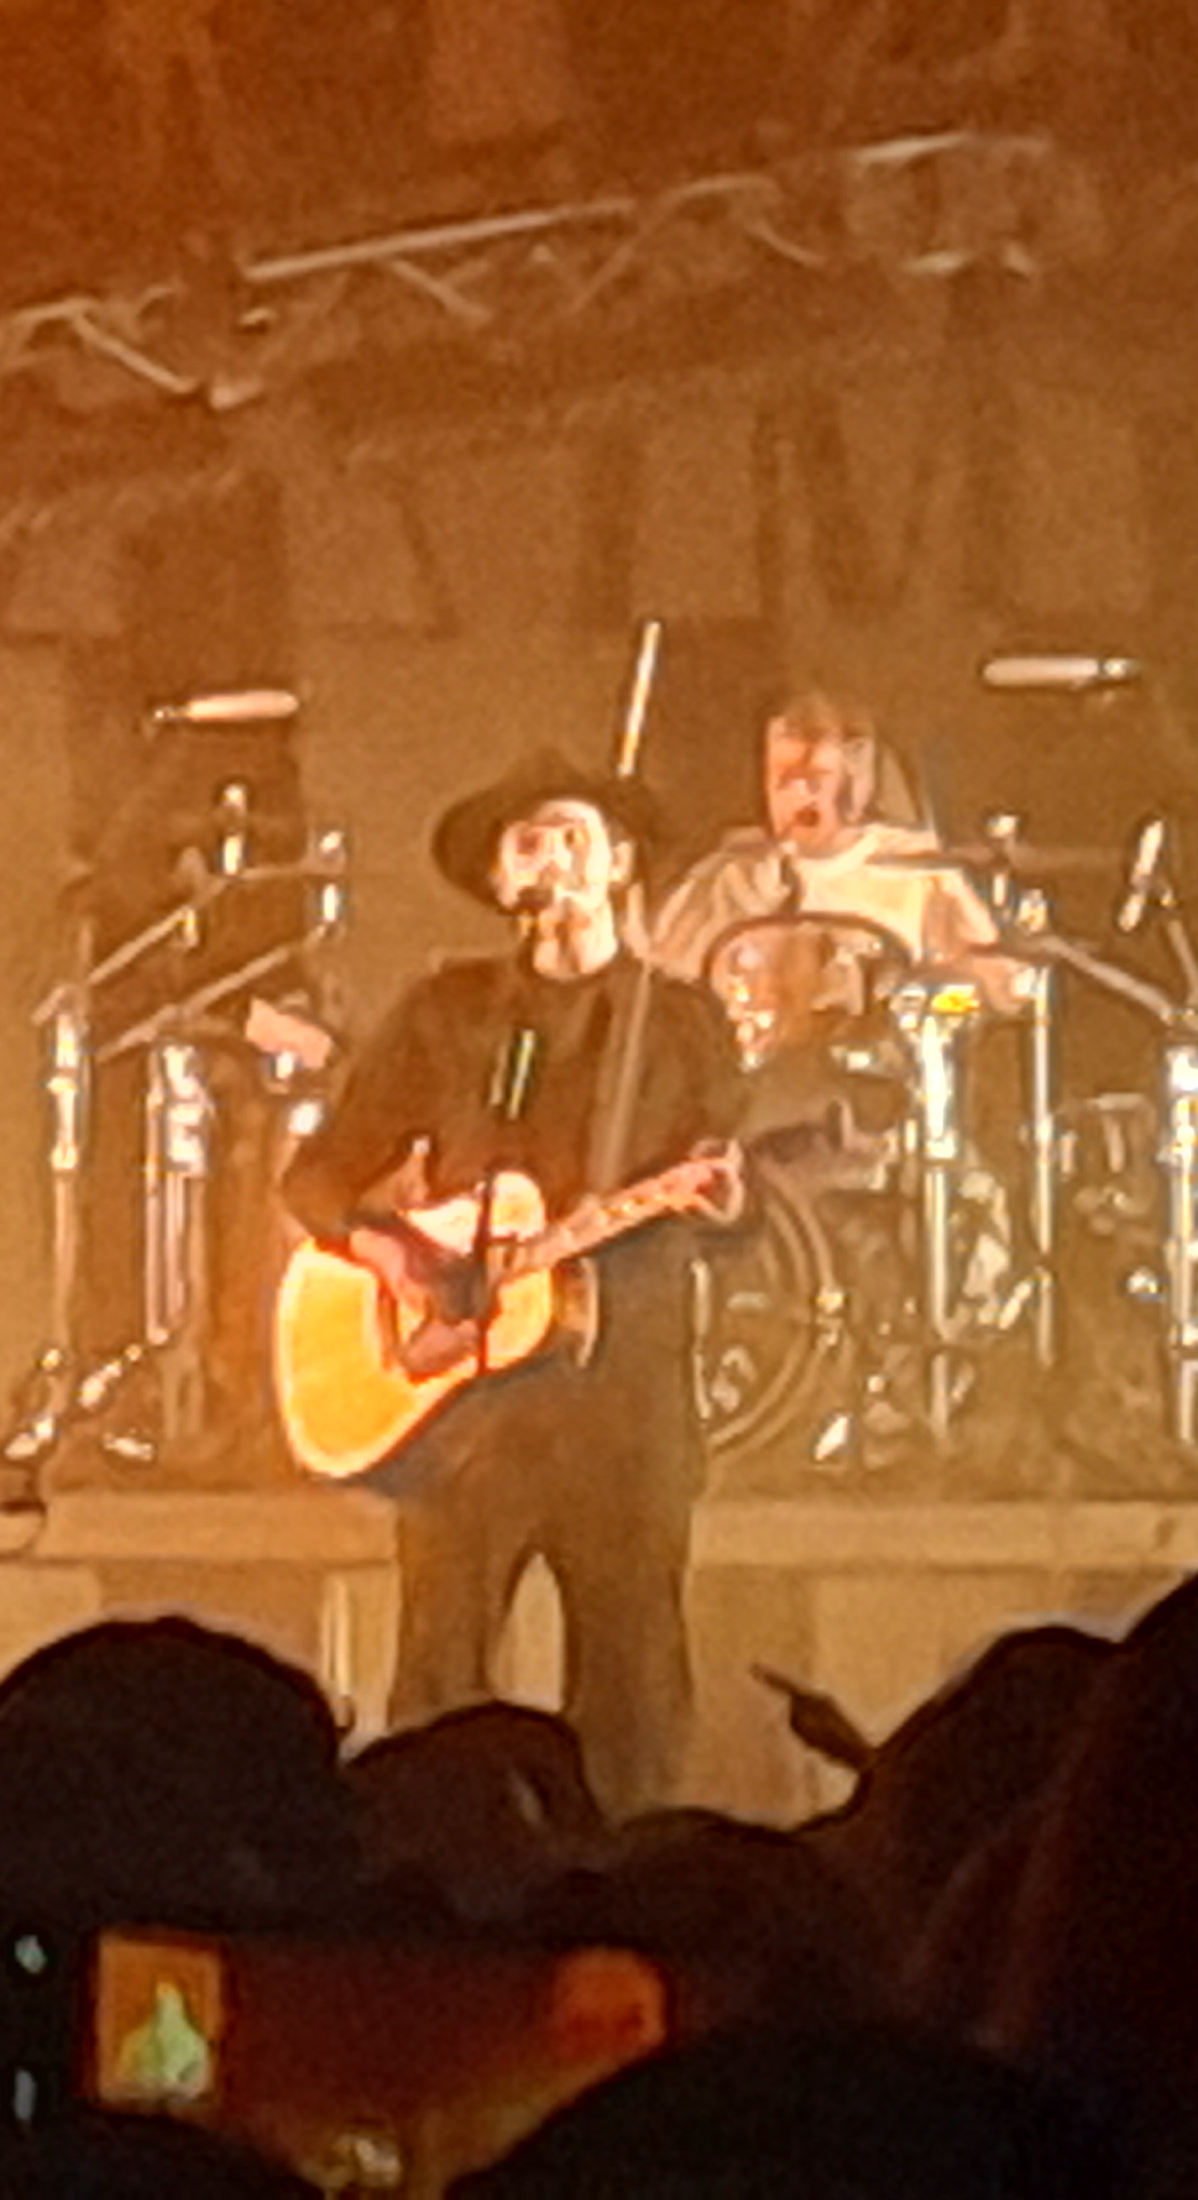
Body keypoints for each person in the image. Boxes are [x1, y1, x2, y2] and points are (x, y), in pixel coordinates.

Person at [281, 754, 744, 1811]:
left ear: (621, 864)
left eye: (575, 836)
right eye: (527, 842)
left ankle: (623, 1871)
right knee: (440, 1678)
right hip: (466, 1407)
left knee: (631, 1687)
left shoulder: (682, 1023)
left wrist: (728, 1203)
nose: (553, 858)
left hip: (624, 1398)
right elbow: (317, 1177)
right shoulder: (448, 1013)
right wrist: (394, 1256)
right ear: (499, 881)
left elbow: (733, 1201)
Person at [648, 688, 1017, 1020]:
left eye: (814, 778)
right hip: (748, 1064)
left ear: (856, 780)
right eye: (782, 778)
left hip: (882, 1061)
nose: (796, 794)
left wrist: (920, 1003)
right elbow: (665, 980)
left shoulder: (916, 869)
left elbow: (990, 992)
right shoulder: (730, 874)